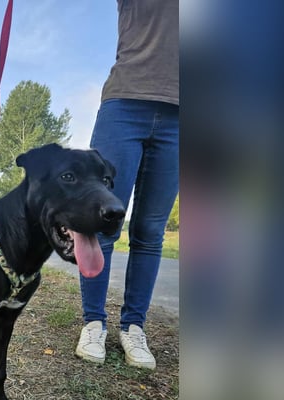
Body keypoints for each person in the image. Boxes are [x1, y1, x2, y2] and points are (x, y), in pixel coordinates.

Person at [75, 0, 179, 370]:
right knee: (101, 221)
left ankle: (133, 326)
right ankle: (93, 322)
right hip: (125, 105)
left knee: (151, 230)